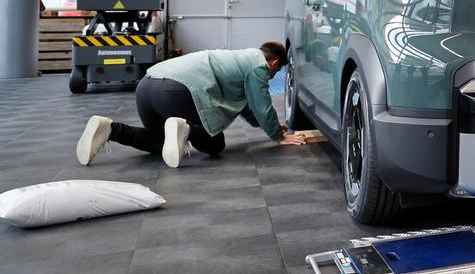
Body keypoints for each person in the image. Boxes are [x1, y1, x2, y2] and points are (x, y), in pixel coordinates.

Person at [76, 42, 307, 168]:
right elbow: (260, 102)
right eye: (276, 71)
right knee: (215, 144)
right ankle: (184, 127)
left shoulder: (241, 58)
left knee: (159, 142)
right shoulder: (258, 66)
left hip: (147, 86)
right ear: (274, 62)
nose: (272, 75)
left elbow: (248, 107)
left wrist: (272, 126)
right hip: (175, 91)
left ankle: (110, 129)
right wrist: (278, 137)